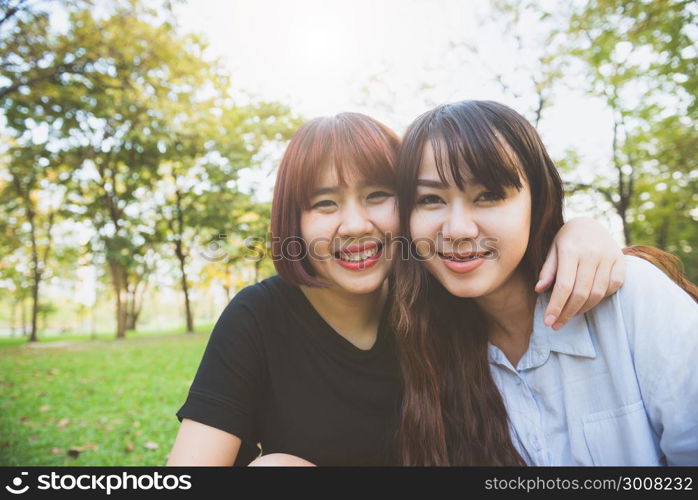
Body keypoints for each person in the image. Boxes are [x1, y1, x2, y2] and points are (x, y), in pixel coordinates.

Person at [166, 112, 627, 466]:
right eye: (324, 203)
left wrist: (580, 230)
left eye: (376, 196)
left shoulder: (442, 296)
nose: (354, 225)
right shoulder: (260, 317)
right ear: (295, 220)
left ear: (410, 205)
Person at [392, 100, 698, 465]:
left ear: (538, 200)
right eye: (430, 199)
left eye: (488, 195)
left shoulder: (628, 296)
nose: (457, 229)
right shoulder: (420, 345)